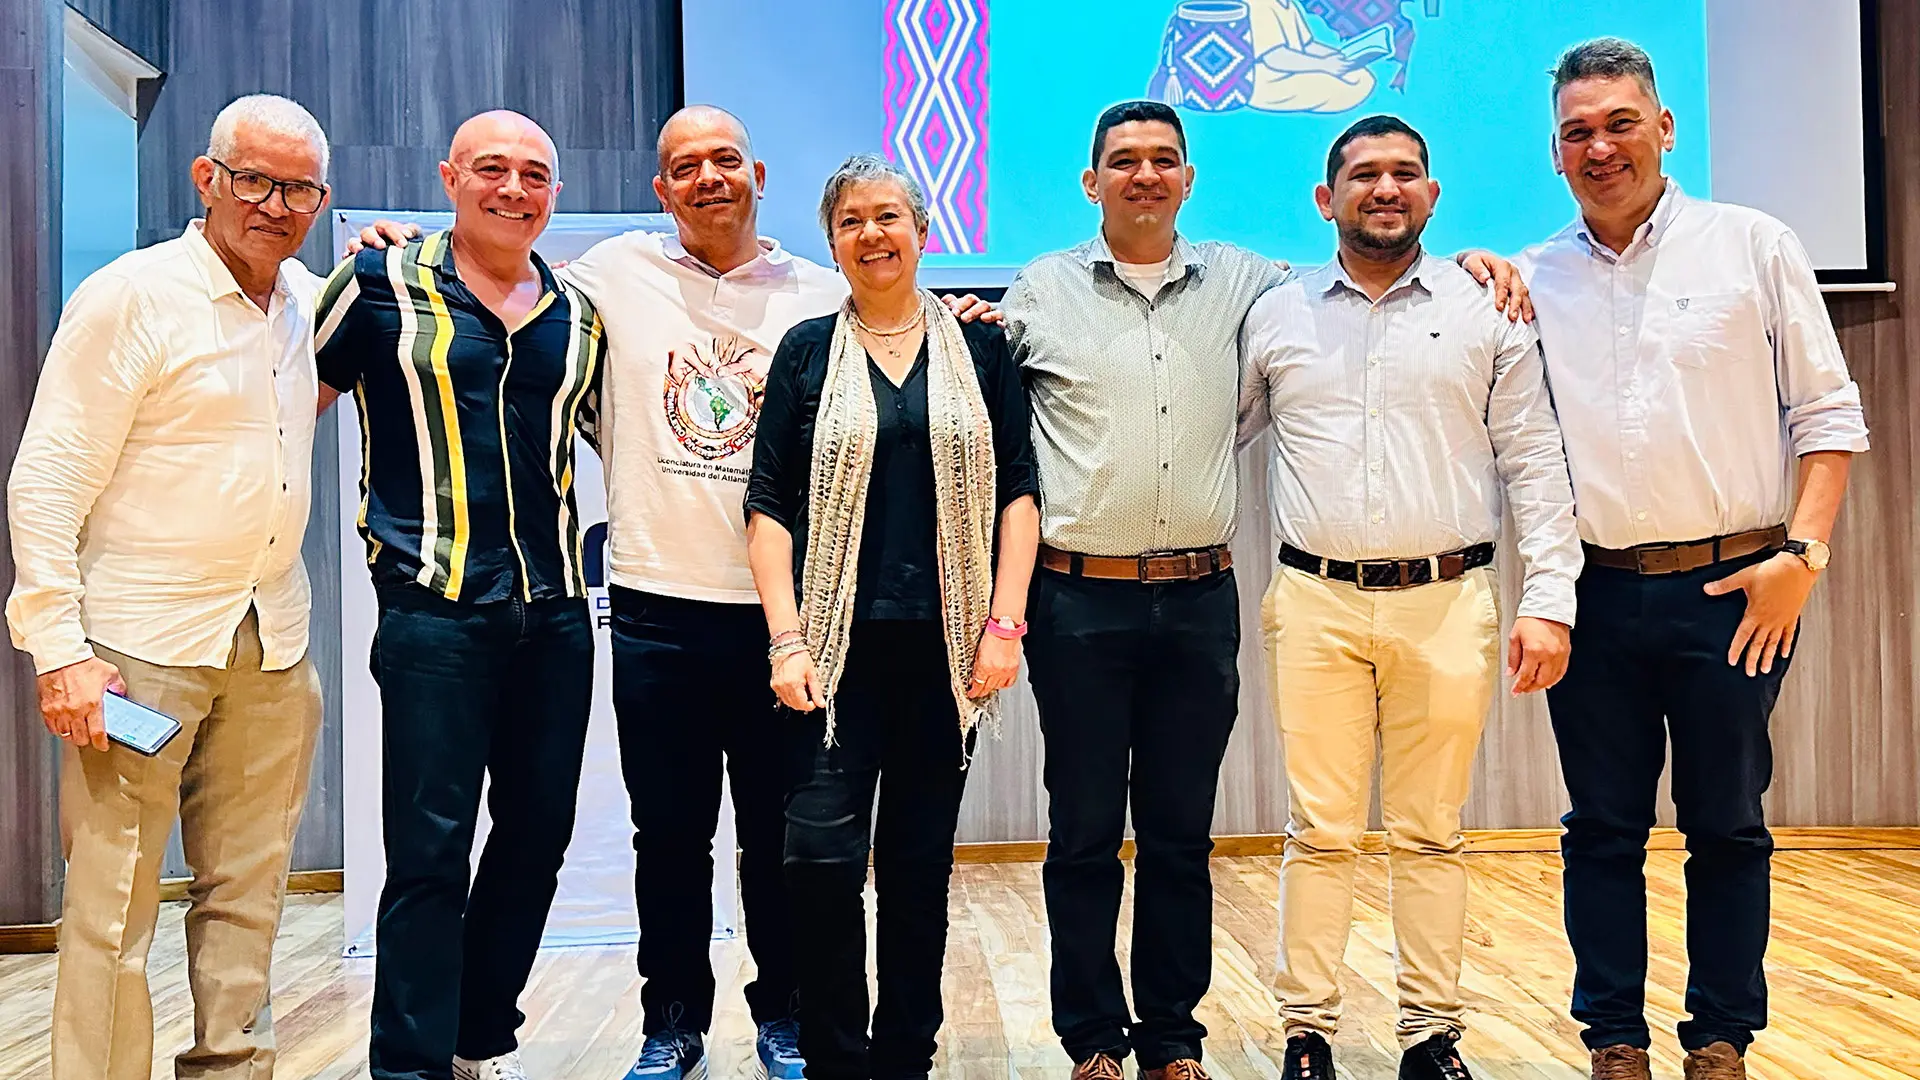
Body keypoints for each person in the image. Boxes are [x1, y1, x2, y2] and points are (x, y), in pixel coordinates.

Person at [351, 105, 995, 1080]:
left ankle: (783, 1017)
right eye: (685, 166)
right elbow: (497, 271)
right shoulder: (612, 276)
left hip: (797, 616)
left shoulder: (823, 292)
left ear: (758, 173)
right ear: (662, 190)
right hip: (655, 606)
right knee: (670, 836)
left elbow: (914, 336)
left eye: (724, 160)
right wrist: (397, 247)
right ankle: (672, 1021)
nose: (707, 178)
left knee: (785, 842)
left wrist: (967, 317)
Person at [1001, 99, 1529, 1080]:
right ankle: (1092, 1040)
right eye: (1125, 161)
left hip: (1200, 604)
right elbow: (986, 398)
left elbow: (1374, 262)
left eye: (1165, 159)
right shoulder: (1036, 290)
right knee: (1081, 834)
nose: (1146, 175)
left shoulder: (1253, 286)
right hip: (1076, 604)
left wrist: (1487, 261)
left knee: (1176, 835)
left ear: (1190, 180)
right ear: (1093, 182)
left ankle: (1169, 1039)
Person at [1519, 40, 1869, 1080]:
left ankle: (1720, 1036)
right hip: (1594, 593)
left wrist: (1804, 551)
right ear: (1555, 152)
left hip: (1739, 589)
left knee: (1727, 823)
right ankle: (1614, 1038)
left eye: (1621, 122)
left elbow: (1828, 412)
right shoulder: (1531, 278)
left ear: (1665, 128)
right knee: (1602, 830)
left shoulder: (1753, 245)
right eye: (1579, 131)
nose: (1601, 145)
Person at [1238, 115, 1581, 1080]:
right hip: (1315, 605)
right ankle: (1307, 1032)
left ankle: (1432, 1036)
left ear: (1432, 195)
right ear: (1326, 198)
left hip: (1449, 599)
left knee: (1432, 831)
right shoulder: (1277, 313)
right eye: (1362, 175)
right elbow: (1209, 440)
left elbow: (1534, 459)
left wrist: (1548, 595)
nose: (1384, 189)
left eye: (1404, 174)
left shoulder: (1488, 311)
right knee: (1322, 830)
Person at [6, 94, 331, 1080]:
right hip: (135, 653)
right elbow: (46, 476)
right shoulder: (131, 296)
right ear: (206, 178)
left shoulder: (308, 305)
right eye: (254, 180)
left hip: (272, 643)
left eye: (299, 188)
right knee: (112, 913)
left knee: (250, 898)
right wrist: (57, 649)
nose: (275, 204)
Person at [313, 110, 606, 1080]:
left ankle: (476, 1041)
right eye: (492, 169)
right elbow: (276, 407)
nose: (514, 188)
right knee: (430, 854)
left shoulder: (580, 314)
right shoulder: (375, 282)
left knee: (536, 840)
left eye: (534, 173)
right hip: (432, 615)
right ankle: (409, 1065)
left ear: (553, 195)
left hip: (557, 615)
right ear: (449, 177)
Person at [744, 153, 1040, 1080]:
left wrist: (1003, 627)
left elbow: (1019, 498)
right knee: (820, 864)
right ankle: (837, 1057)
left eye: (888, 217)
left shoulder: (983, 348)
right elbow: (768, 506)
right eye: (850, 222)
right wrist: (786, 638)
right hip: (832, 658)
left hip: (944, 657)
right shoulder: (803, 351)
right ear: (832, 243)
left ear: (922, 230)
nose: (872, 235)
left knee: (918, 871)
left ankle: (907, 1055)